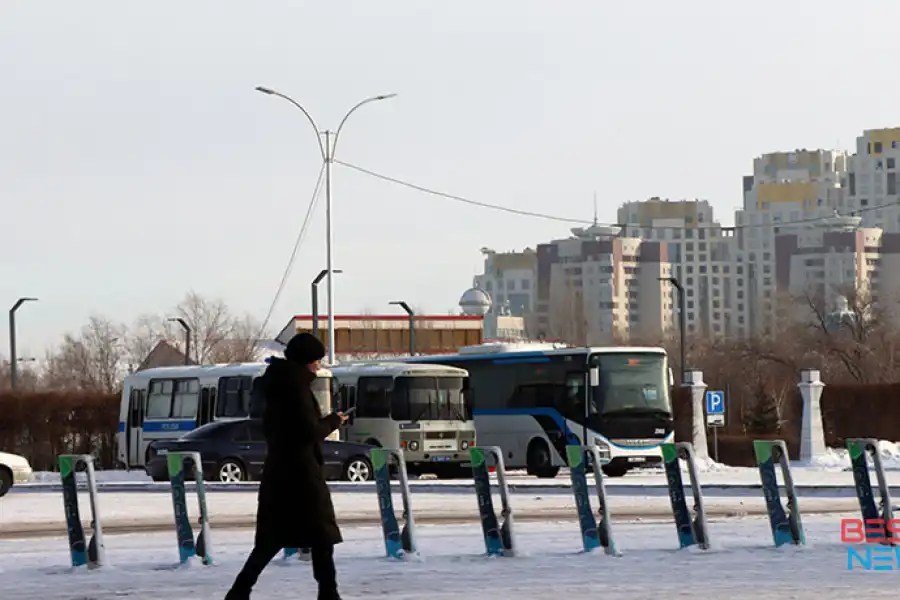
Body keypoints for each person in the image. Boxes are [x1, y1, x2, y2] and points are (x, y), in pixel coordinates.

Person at [226, 333, 348, 600]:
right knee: (321, 536)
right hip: (301, 476)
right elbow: (307, 431)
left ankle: (240, 590)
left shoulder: (275, 383)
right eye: (316, 360)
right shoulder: (296, 388)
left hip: (279, 473)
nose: (318, 366)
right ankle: (329, 594)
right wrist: (333, 421)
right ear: (306, 361)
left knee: (271, 539)